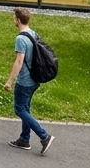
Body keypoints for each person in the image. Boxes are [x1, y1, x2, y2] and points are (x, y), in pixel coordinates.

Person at [5, 8, 55, 154]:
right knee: (25, 108)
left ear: (18, 20)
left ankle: (44, 136)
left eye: (14, 18)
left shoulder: (20, 38)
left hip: (25, 81)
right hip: (35, 79)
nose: (13, 20)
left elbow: (19, 62)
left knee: (19, 109)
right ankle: (24, 139)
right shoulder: (33, 34)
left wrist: (9, 81)